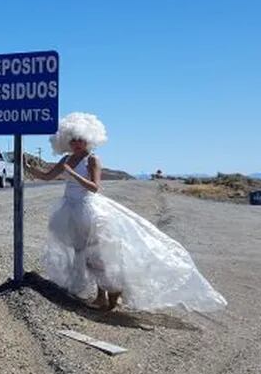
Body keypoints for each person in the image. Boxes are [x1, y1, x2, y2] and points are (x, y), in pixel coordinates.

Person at [24, 112, 227, 313]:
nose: (77, 143)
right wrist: (27, 167)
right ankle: (100, 297)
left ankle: (112, 293)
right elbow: (47, 176)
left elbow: (94, 187)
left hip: (89, 212)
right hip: (70, 210)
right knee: (81, 254)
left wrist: (73, 174)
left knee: (97, 255)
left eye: (81, 139)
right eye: (74, 139)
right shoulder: (68, 159)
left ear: (89, 140)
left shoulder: (92, 160)